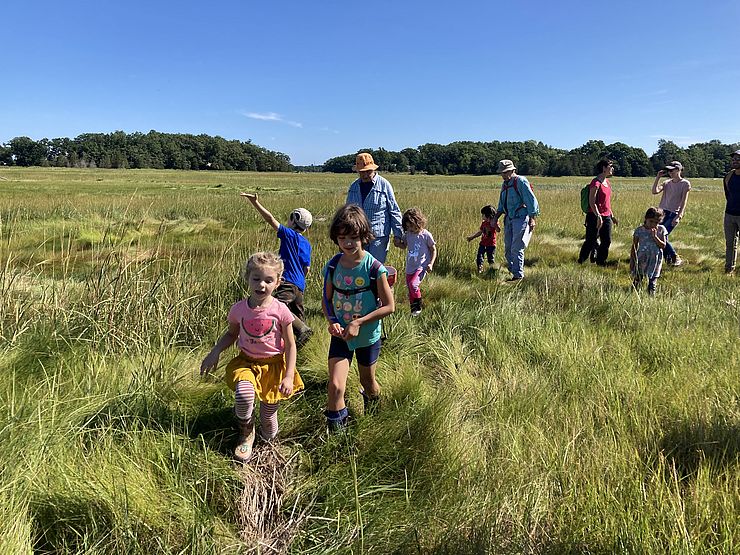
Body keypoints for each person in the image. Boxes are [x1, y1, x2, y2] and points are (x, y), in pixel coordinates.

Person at [200, 252, 303, 462]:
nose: (262, 285)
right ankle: (246, 430)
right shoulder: (238, 309)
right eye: (256, 279)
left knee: (269, 417)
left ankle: (267, 445)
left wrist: (289, 375)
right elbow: (231, 334)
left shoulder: (281, 311)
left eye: (268, 280)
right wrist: (215, 351)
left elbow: (291, 344)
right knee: (244, 394)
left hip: (274, 367)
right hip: (247, 362)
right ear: (247, 278)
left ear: (278, 282)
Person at [322, 204, 395, 430]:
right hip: (341, 335)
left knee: (368, 383)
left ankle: (373, 420)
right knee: (335, 386)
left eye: (353, 237)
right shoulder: (333, 266)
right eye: (342, 237)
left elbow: (390, 306)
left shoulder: (374, 268)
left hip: (367, 336)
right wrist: (332, 320)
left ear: (364, 236)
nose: (348, 243)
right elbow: (326, 299)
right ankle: (338, 439)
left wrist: (358, 322)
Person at [240, 192, 314, 347]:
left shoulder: (289, 235)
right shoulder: (306, 243)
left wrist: (255, 203)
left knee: (277, 306)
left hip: (287, 281)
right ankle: (298, 352)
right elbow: (306, 267)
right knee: (297, 317)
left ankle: (301, 331)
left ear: (294, 219)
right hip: (300, 285)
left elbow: (270, 219)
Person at [346, 152, 404, 264]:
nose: (365, 175)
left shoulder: (384, 185)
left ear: (373, 169)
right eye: (362, 172)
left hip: (379, 237)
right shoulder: (354, 187)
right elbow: (348, 213)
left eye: (368, 171)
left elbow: (394, 210)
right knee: (360, 268)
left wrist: (398, 234)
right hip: (358, 236)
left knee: (375, 269)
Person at [491, 160, 539, 281]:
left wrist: (532, 218)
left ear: (513, 170)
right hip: (509, 219)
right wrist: (495, 218)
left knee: (516, 248)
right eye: (502, 173)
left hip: (521, 219)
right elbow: (501, 204)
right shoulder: (505, 184)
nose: (503, 175)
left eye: (505, 172)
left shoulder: (521, 181)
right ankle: (513, 270)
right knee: (508, 249)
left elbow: (531, 200)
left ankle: (518, 276)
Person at [578, 159, 620, 266]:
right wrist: (598, 216)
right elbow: (592, 202)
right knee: (590, 241)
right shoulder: (595, 183)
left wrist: (612, 216)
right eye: (610, 166)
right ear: (604, 168)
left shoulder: (608, 183)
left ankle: (601, 262)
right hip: (594, 216)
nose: (612, 169)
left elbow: (607, 203)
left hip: (607, 216)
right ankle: (581, 261)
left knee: (607, 241)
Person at [651, 161, 691, 266]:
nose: (670, 173)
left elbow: (684, 201)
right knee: (661, 234)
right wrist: (658, 177)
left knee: (662, 234)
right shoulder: (667, 183)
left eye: (672, 170)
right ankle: (669, 260)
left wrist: (679, 216)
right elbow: (654, 191)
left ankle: (674, 257)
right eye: (669, 171)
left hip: (673, 213)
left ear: (678, 170)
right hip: (662, 212)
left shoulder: (685, 184)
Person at [400, 207, 437, 316]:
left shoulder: (426, 235)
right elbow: (404, 245)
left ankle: (418, 307)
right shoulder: (408, 234)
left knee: (413, 285)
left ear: (418, 222)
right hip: (410, 267)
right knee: (410, 289)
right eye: (407, 227)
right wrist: (398, 243)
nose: (410, 229)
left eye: (411, 226)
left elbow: (433, 249)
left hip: (421, 266)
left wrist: (431, 263)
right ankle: (414, 312)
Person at [630, 207, 668, 296]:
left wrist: (655, 237)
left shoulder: (661, 230)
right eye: (651, 221)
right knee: (638, 278)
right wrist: (633, 259)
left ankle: (651, 296)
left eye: (656, 222)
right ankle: (632, 294)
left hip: (655, 259)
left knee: (653, 280)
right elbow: (634, 246)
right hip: (642, 258)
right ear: (646, 219)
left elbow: (663, 245)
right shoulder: (639, 230)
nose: (653, 224)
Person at [466, 204, 499, 273]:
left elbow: (498, 230)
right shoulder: (484, 223)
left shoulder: (493, 223)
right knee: (479, 256)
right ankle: (480, 269)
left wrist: (495, 224)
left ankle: (492, 271)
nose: (482, 216)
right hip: (483, 243)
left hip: (491, 245)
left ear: (488, 215)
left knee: (490, 258)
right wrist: (472, 237)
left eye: (483, 215)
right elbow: (480, 232)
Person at [723, 149, 740, 275]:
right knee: (730, 244)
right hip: (729, 214)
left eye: (738, 159)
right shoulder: (728, 176)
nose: (735, 161)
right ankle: (729, 269)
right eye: (733, 159)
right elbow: (728, 194)